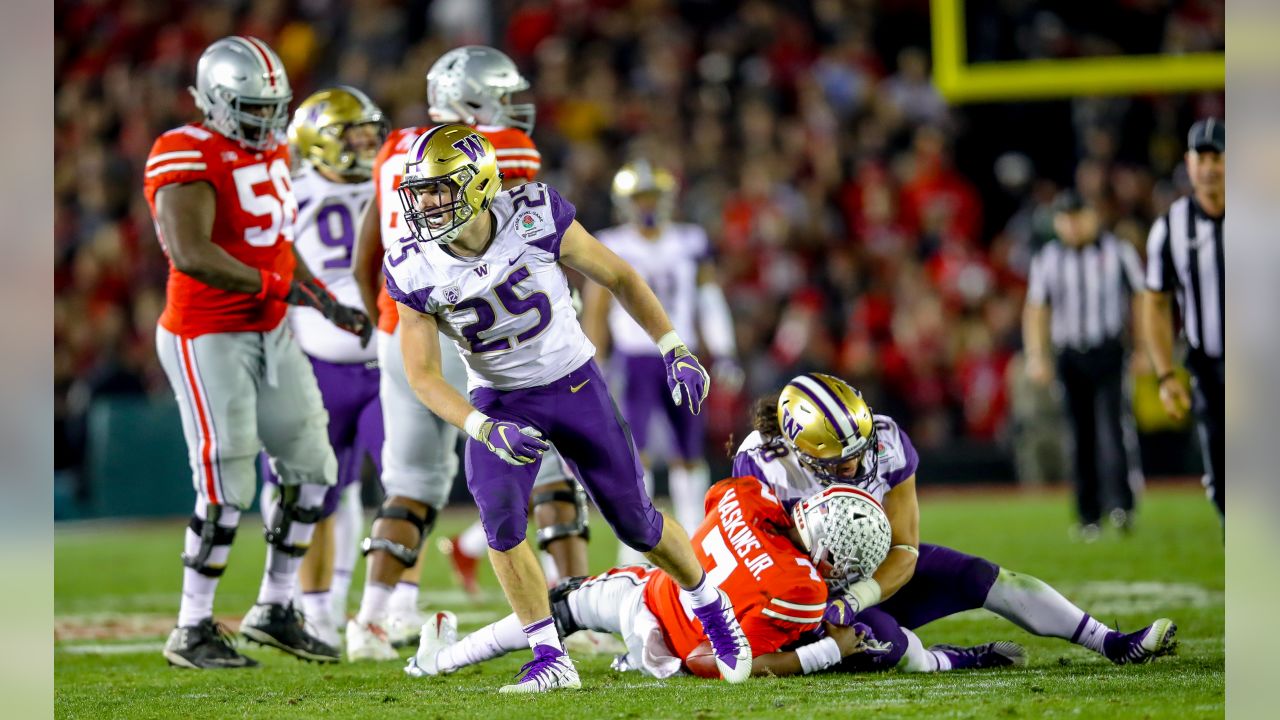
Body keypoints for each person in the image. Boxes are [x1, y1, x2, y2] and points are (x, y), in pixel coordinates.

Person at [382, 124, 752, 692]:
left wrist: (674, 346)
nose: (425, 203)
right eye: (422, 191)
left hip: (572, 383)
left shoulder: (533, 213)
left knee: (639, 522)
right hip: (498, 397)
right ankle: (550, 656)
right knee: (501, 521)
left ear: (479, 185)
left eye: (440, 189)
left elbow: (620, 276)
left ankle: (712, 608)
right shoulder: (412, 263)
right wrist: (482, 426)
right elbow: (423, 377)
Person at [346, 45, 589, 660]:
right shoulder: (501, 146)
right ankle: (576, 607)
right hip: (476, 329)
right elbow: (529, 240)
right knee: (554, 464)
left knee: (412, 480)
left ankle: (373, 619)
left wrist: (380, 316)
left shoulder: (396, 145)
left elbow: (365, 250)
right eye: (503, 97)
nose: (513, 110)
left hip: (400, 326)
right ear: (471, 99)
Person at [146, 36, 371, 669]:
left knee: (313, 469)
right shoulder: (180, 150)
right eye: (252, 108)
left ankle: (275, 607)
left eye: (275, 107)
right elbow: (191, 254)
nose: (268, 122)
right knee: (227, 482)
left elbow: (276, 243)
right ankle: (192, 626)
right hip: (207, 333)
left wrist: (324, 300)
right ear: (216, 101)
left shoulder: (271, 146)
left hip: (272, 328)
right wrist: (281, 289)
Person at [732, 373, 1178, 672]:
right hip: (805, 600)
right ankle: (954, 660)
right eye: (838, 457)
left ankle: (1113, 643)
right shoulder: (762, 465)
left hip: (873, 575)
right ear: (799, 449)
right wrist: (821, 610)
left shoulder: (885, 438)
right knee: (893, 646)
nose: (853, 462)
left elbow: (904, 549)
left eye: (857, 450)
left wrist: (860, 596)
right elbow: (756, 567)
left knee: (979, 575)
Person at [405, 479, 905, 683]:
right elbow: (716, 662)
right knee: (561, 607)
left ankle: (440, 661)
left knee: (555, 607)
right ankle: (628, 659)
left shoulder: (748, 496)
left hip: (642, 594)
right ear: (829, 549)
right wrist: (830, 651)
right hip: (666, 653)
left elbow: (718, 511)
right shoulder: (804, 591)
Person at [256, 86, 390, 648]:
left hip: (385, 359)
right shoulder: (288, 189)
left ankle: (360, 608)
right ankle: (305, 608)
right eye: (350, 133)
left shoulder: (395, 183)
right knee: (312, 489)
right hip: (314, 360)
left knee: (390, 487)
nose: (364, 142)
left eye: (368, 130)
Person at [583, 161, 740, 557]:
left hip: (681, 355)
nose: (647, 205)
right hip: (635, 359)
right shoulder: (613, 242)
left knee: (688, 450)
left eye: (652, 196)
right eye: (640, 197)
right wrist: (594, 362)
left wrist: (723, 350)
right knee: (637, 452)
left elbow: (708, 298)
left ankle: (696, 534)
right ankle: (637, 540)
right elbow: (597, 308)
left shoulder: (689, 240)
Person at [1024, 189, 1146, 539]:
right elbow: (1036, 310)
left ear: (1092, 217)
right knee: (1079, 435)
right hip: (1070, 355)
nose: (1073, 225)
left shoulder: (1117, 252)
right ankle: (1088, 513)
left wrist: (1142, 348)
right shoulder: (1048, 257)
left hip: (1108, 350)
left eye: (1078, 216)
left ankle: (1122, 506)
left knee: (1114, 429)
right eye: (1066, 218)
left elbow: (1140, 300)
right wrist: (1038, 354)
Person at [1142, 118, 1225, 523]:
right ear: (1189, 164)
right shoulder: (1171, 227)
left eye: (1217, 156)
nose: (1209, 167)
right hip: (1208, 364)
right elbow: (1155, 303)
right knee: (1224, 478)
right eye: (1201, 157)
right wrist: (1164, 374)